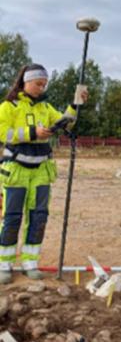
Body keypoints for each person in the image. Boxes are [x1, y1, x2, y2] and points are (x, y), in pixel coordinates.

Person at [0, 63, 87, 284]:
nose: (42, 87)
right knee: (11, 218)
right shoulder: (8, 107)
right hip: (16, 170)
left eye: (44, 84)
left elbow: (65, 121)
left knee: (38, 217)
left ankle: (30, 262)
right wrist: (32, 132)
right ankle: (4, 264)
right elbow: (3, 132)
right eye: (39, 83)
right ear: (26, 82)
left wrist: (75, 104)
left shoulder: (45, 108)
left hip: (41, 171)